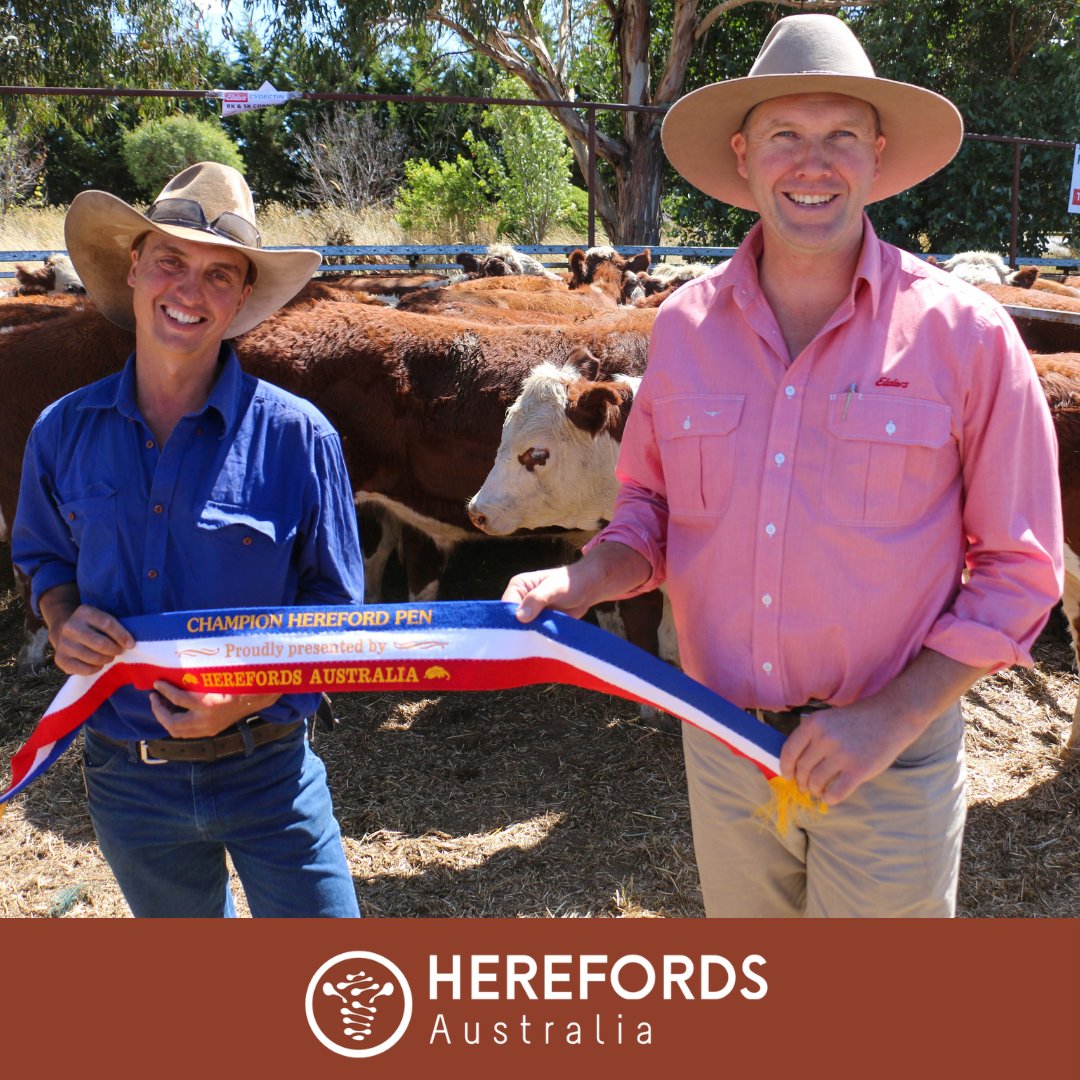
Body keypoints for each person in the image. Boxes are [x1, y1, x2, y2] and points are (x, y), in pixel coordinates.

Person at [503, 14, 1064, 917]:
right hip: (723, 745)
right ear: (745, 155)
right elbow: (649, 511)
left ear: (877, 155)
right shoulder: (683, 332)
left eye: (841, 135)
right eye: (785, 137)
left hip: (884, 757)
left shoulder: (966, 338)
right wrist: (582, 577)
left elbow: (1021, 569)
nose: (814, 163)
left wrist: (893, 718)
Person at [12, 162, 364, 918]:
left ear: (240, 299)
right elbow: (42, 556)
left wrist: (249, 696)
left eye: (218, 273)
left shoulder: (300, 440)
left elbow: (337, 618)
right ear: (134, 268)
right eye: (170, 260)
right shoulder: (62, 432)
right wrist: (61, 617)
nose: (189, 290)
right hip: (127, 780)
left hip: (270, 769)